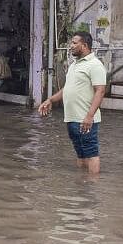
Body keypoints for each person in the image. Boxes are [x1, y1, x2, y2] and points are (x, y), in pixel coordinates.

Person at [38, 32, 108, 175]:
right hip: (71, 118)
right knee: (80, 153)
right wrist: (50, 100)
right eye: (72, 43)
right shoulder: (74, 65)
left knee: (91, 152)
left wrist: (89, 116)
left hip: (86, 119)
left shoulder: (95, 65)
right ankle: (81, 184)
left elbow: (100, 91)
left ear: (85, 45)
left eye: (75, 43)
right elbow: (67, 88)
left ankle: (92, 186)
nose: (71, 46)